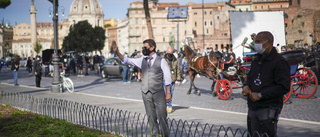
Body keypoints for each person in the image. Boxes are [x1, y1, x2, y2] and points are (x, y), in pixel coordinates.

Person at [112, 39, 171, 136]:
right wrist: (117, 52)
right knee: (151, 117)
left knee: (162, 117)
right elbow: (127, 60)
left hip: (158, 93)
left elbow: (168, 77)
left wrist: (168, 93)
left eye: (145, 47)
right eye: (143, 47)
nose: (143, 49)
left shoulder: (162, 61)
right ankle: (155, 135)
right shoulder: (142, 60)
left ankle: (165, 135)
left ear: (152, 47)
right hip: (145, 93)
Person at [242, 31, 290, 137]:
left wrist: (260, 95)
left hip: (268, 107)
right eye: (255, 41)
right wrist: (246, 86)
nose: (256, 44)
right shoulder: (256, 60)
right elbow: (249, 78)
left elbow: (284, 87)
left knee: (267, 134)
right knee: (253, 134)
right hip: (252, 107)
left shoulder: (279, 62)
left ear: (268, 43)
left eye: (258, 41)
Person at [164, 47, 181, 114]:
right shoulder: (163, 59)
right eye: (168, 54)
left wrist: (179, 79)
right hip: (165, 79)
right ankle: (168, 106)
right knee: (167, 93)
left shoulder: (175, 60)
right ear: (166, 53)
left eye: (171, 54)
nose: (169, 55)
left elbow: (178, 70)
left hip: (173, 79)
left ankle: (168, 105)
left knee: (171, 93)